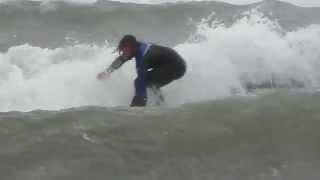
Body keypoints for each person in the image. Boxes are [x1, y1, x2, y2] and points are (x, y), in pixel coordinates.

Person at [97, 35, 186, 107]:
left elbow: (141, 82)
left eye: (125, 50)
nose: (124, 53)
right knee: (149, 82)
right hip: (173, 64)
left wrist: (135, 107)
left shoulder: (142, 56)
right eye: (123, 50)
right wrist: (107, 72)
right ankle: (161, 104)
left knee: (143, 81)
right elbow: (122, 59)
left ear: (131, 46)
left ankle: (157, 105)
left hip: (176, 66)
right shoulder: (137, 47)